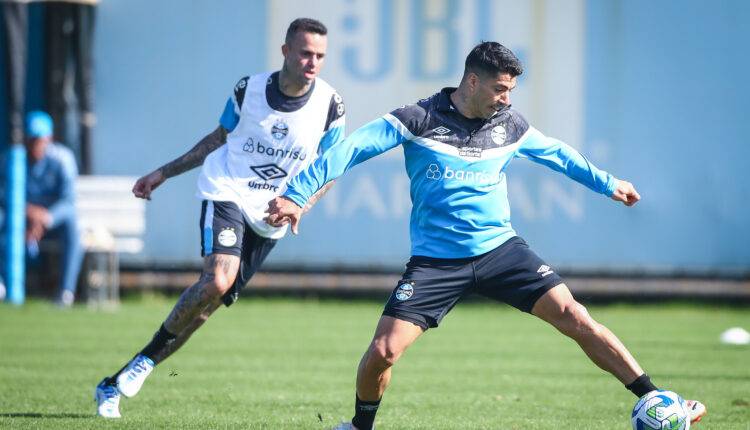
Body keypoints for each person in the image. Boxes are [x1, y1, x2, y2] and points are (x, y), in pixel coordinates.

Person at [265, 42, 707, 429]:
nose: (506, 98)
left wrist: (607, 183)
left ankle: (656, 398)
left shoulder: (509, 124)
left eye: (511, 89)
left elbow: (557, 153)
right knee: (383, 351)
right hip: (437, 262)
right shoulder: (416, 119)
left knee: (575, 315)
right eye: (500, 88)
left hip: (501, 251)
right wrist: (297, 194)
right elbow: (350, 150)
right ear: (472, 81)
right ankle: (360, 427)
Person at [94, 17, 346, 418]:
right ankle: (138, 368)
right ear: (285, 51)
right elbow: (217, 139)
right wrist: (162, 173)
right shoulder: (249, 90)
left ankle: (124, 374)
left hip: (270, 216)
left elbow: (333, 167)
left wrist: (302, 205)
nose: (312, 62)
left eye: (319, 56)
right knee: (217, 279)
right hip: (226, 189)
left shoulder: (331, 105)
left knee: (207, 306)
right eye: (304, 53)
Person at [0, 111, 83, 307]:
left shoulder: (63, 159)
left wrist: (45, 217)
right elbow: (3, 194)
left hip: (51, 224)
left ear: (50, 138)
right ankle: (2, 283)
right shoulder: (11, 158)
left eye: (40, 139)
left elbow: (69, 201)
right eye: (31, 139)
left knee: (73, 226)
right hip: (19, 219)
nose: (35, 145)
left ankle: (66, 292)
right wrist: (28, 213)